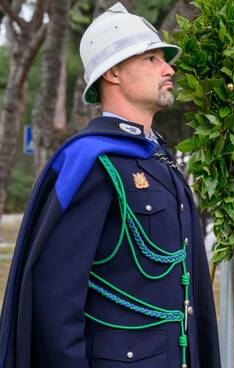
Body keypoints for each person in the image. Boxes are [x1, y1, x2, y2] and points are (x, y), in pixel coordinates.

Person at [0, 3, 221, 367]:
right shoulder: (92, 163)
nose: (169, 69)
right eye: (151, 59)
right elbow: (56, 302)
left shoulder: (159, 160)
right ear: (113, 72)